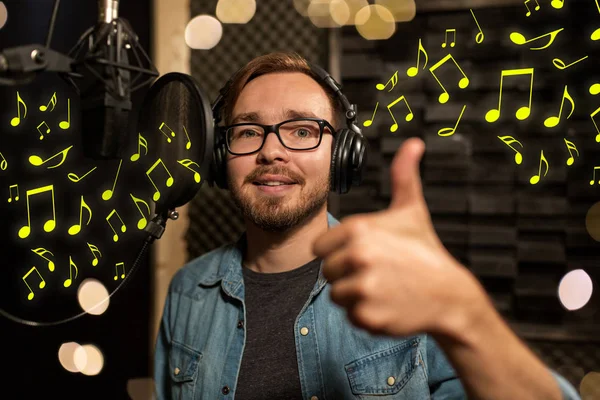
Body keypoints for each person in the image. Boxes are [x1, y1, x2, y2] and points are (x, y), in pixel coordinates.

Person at [154, 51, 581, 399]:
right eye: (248, 131)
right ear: (219, 156)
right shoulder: (188, 291)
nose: (271, 152)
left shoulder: (403, 284)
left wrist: (464, 312)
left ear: (342, 156)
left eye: (302, 130)